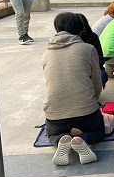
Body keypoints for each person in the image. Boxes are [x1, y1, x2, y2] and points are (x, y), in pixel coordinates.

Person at [42, 12, 104, 166]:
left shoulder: (46, 53)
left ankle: (60, 139)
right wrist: (92, 103)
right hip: (85, 112)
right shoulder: (88, 49)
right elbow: (97, 83)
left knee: (51, 133)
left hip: (55, 113)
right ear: (80, 29)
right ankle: (82, 140)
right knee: (98, 131)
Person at [78, 13, 108, 89]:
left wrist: (92, 69)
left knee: (103, 75)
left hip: (93, 68)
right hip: (78, 70)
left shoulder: (93, 37)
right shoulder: (71, 40)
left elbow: (100, 57)